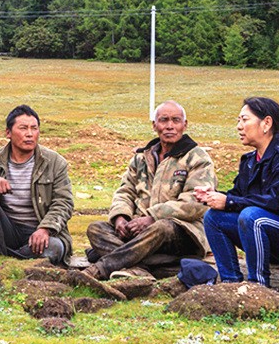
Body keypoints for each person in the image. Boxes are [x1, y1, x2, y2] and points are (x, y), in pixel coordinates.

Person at [83, 100, 217, 280]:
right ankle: (141, 267)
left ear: (184, 125)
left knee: (162, 227)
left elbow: (195, 203)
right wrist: (121, 217)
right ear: (154, 125)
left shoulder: (198, 158)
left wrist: (153, 217)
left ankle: (101, 268)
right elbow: (125, 191)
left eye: (176, 120)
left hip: (180, 232)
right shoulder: (141, 159)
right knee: (96, 229)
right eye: (164, 120)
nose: (170, 126)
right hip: (138, 232)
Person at [196, 97, 279, 287]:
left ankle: (257, 286)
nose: (239, 126)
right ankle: (230, 283)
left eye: (244, 120)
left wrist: (229, 202)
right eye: (238, 121)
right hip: (258, 232)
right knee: (214, 217)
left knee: (252, 216)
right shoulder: (250, 160)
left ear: (266, 123)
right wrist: (213, 196)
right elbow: (239, 196)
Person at [0, 105, 73, 265]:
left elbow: (64, 202)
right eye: (23, 128)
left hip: (40, 232)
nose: (29, 134)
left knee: (54, 247)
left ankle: (6, 260)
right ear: (8, 133)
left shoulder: (55, 162)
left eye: (34, 128)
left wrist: (45, 229)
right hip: (5, 231)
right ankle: (0, 256)